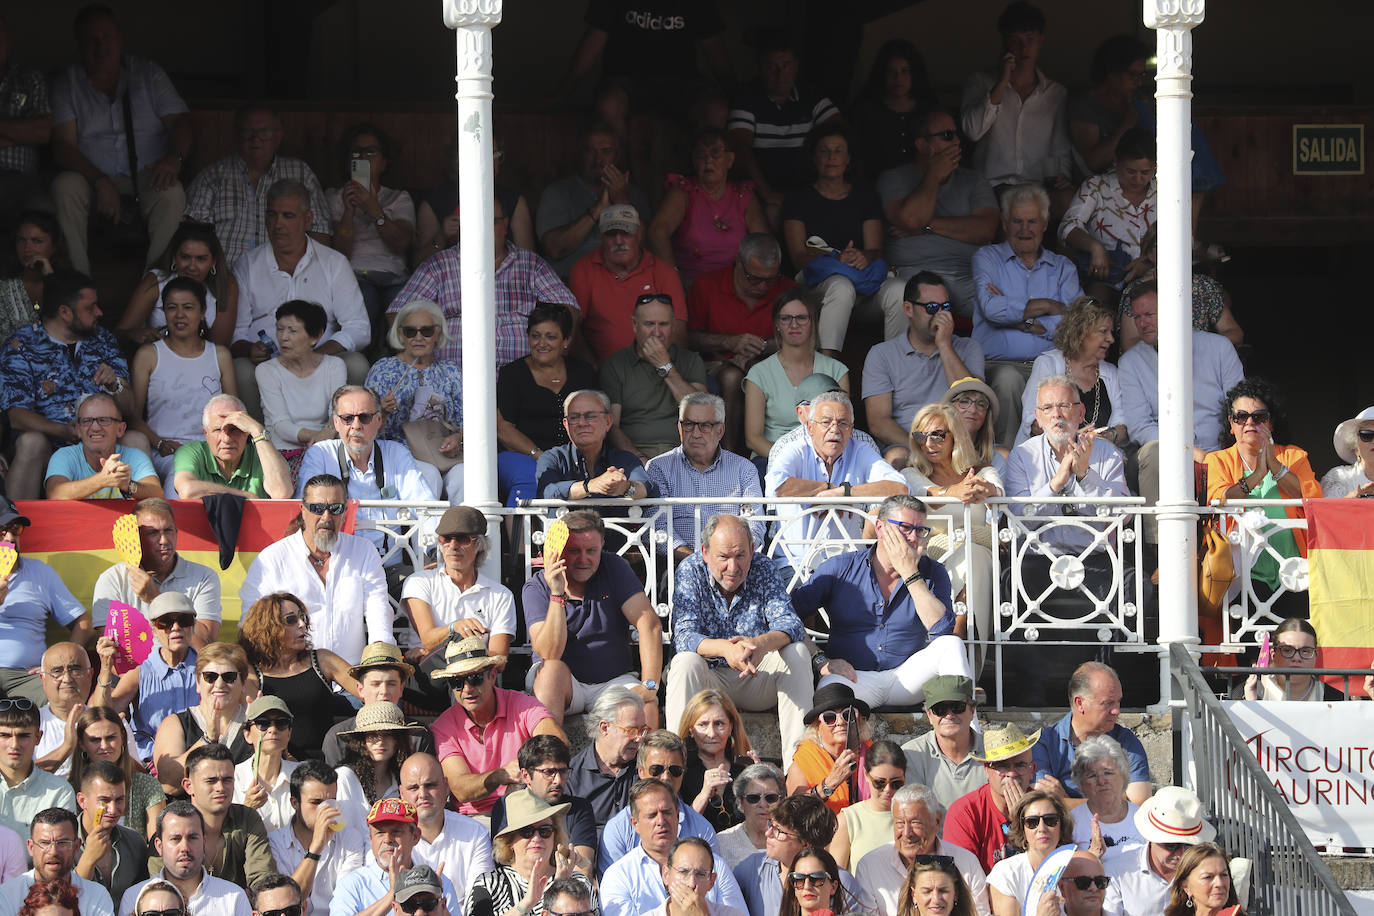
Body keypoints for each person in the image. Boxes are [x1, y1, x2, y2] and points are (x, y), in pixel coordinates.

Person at [792, 493, 972, 710]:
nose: (914, 537)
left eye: (919, 530)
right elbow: (788, 618)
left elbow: (941, 631)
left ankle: (972, 735)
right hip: (853, 678)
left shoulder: (933, 572)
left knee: (951, 644)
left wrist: (910, 573)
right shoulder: (840, 568)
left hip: (906, 678)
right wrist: (820, 660)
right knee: (831, 694)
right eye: (905, 527)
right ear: (880, 528)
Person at [49, 5, 190, 275]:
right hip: (91, 179)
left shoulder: (148, 73)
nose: (100, 45)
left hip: (148, 176)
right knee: (64, 186)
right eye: (91, 39)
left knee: (172, 194)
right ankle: (79, 286)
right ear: (79, 45)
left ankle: (155, 290)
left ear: (120, 40)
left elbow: (180, 123)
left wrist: (175, 159)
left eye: (107, 37)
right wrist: (100, 181)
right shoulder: (68, 82)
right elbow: (63, 146)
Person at [667, 514, 813, 759]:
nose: (733, 568)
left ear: (752, 549)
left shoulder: (763, 566)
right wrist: (725, 649)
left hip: (755, 674)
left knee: (797, 652)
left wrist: (760, 644)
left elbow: (791, 623)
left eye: (740, 556)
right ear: (705, 552)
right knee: (684, 662)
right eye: (723, 557)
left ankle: (799, 767)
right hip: (710, 679)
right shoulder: (690, 570)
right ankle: (674, 765)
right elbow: (683, 635)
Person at [389, 195, 579, 372]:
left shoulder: (531, 264)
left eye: (492, 221)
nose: (483, 228)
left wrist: (559, 352)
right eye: (475, 221)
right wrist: (422, 363)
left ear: (505, 225)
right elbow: (398, 313)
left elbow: (567, 308)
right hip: (454, 378)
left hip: (525, 377)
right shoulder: (438, 265)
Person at [1117, 282, 1243, 543]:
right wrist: (1187, 451)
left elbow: (1239, 407)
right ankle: (1159, 554)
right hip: (1168, 452)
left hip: (1221, 447)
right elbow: (1140, 425)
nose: (1141, 323)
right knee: (1153, 452)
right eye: (1137, 317)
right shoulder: (1130, 362)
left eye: (1149, 315)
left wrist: (1220, 453)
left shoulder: (1219, 347)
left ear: (1172, 310)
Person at [231, 178, 370, 413]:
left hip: (321, 360)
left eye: (288, 216)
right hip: (268, 362)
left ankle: (339, 440)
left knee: (356, 365)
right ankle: (258, 444)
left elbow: (359, 328)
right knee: (240, 370)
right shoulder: (247, 264)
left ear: (308, 220)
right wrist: (249, 349)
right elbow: (236, 332)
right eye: (272, 215)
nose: (277, 224)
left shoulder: (333, 263)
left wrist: (315, 355)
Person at [2, 270, 142, 500]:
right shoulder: (21, 345)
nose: (100, 313)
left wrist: (115, 385)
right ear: (65, 312)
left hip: (104, 442)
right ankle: (15, 529)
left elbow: (128, 407)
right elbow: (17, 415)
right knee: (30, 442)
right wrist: (65, 431)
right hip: (51, 443)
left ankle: (141, 527)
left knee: (136, 441)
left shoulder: (103, 340)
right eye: (90, 308)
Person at [520, 509, 662, 726]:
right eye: (574, 551)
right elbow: (549, 653)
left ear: (602, 546)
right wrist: (557, 593)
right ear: (558, 551)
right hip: (563, 684)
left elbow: (649, 624)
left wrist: (650, 685)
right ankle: (549, 755)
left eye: (591, 550)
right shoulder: (537, 586)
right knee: (550, 670)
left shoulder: (614, 566)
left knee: (647, 706)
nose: (583, 559)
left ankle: (647, 761)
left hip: (613, 681)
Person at [1003, 375, 1130, 614]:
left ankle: (1111, 653)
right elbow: (1018, 520)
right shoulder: (1022, 456)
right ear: (1038, 418)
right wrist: (1056, 483)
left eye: (1064, 406)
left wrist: (1084, 476)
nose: (1057, 415)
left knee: (1134, 584)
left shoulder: (1107, 454)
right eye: (1048, 408)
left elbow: (1122, 516)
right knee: (1009, 582)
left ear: (1081, 413)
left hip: (1095, 559)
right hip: (1037, 559)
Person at [239, 474, 393, 666]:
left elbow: (378, 610)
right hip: (292, 677)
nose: (326, 517)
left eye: (335, 509)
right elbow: (252, 625)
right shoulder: (271, 559)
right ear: (302, 510)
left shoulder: (363, 550)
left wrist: (379, 661)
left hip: (351, 677)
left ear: (345, 512)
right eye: (317, 509)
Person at [971, 183, 1083, 446]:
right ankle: (1009, 462)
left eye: (1032, 221)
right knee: (1008, 380)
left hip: (1050, 366)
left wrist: (1020, 317)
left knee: (1059, 386)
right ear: (1004, 223)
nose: (1025, 229)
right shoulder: (987, 258)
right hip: (1000, 365)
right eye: (1017, 221)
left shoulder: (1063, 268)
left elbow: (1075, 325)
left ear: (1045, 223)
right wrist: (1048, 305)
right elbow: (991, 308)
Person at [781, 122, 906, 357]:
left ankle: (897, 367)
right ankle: (827, 371)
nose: (831, 157)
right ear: (814, 157)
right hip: (817, 287)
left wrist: (862, 256)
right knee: (840, 284)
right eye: (824, 151)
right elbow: (798, 258)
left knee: (899, 289)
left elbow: (875, 250)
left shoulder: (864, 196)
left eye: (838, 151)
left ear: (848, 158)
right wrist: (837, 259)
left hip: (862, 283)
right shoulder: (798, 199)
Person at [1205, 379, 1321, 604]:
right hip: (1241, 577)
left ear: (1271, 423)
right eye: (1241, 416)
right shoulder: (1217, 460)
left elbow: (1312, 498)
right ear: (1231, 423)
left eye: (1259, 417)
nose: (1250, 422)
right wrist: (1257, 474)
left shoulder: (1293, 456)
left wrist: (1274, 466)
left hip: (1294, 574)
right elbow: (1220, 499)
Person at [766, 390, 907, 573]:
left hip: (849, 565)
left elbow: (900, 488)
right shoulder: (796, 449)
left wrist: (844, 492)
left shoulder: (860, 450)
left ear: (851, 429)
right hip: (795, 566)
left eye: (842, 423)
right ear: (810, 428)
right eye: (826, 422)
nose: (834, 429)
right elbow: (776, 486)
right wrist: (828, 488)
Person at [903, 404, 1001, 661]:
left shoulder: (982, 472)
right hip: (932, 554)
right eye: (920, 436)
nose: (928, 443)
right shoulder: (911, 474)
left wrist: (986, 490)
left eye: (937, 434)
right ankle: (959, 661)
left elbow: (998, 494)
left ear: (956, 435)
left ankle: (950, 654)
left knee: (974, 555)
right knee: (973, 555)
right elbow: (925, 494)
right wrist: (953, 493)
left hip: (977, 555)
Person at [878, 108, 999, 317]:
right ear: (922, 145)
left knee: (1002, 310)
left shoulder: (974, 179)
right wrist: (932, 175)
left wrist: (927, 227)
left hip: (967, 274)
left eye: (956, 135)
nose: (956, 142)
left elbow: (986, 229)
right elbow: (911, 218)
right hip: (914, 273)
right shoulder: (893, 177)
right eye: (946, 136)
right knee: (926, 309)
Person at [297, 385, 443, 552]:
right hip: (337, 565)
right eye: (347, 418)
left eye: (364, 417)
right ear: (336, 423)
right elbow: (305, 513)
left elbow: (426, 507)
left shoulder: (396, 453)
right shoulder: (320, 454)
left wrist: (432, 555)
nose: (356, 425)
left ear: (379, 421)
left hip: (390, 568)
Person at [685, 235, 796, 449]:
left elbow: (802, 337)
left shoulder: (787, 290)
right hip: (716, 363)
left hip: (769, 363)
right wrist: (729, 342)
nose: (763, 286)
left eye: (769, 279)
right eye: (754, 278)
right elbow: (688, 339)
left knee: (757, 373)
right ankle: (726, 454)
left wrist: (763, 346)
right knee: (731, 376)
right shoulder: (707, 285)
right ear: (738, 261)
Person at [430, 638, 563, 816]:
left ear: (492, 676)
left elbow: (556, 742)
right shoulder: (443, 726)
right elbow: (461, 790)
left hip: (525, 807)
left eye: (474, 678)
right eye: (457, 682)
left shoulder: (522, 704)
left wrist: (524, 769)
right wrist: (501, 775)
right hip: (474, 819)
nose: (467, 689)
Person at [186, 104, 332, 265]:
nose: (256, 139)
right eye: (248, 131)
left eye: (264, 132)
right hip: (224, 276)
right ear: (237, 136)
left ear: (278, 137)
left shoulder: (301, 173)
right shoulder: (213, 176)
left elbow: (320, 231)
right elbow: (194, 236)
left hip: (284, 277)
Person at [863, 271, 985, 462]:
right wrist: (920, 448)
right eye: (931, 307)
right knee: (896, 457)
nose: (940, 314)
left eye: (945, 307)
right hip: (908, 446)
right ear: (908, 309)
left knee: (1001, 455)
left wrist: (944, 345)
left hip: (959, 445)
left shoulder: (969, 347)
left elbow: (972, 402)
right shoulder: (881, 354)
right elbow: (878, 422)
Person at [128, 276, 237, 483]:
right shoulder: (149, 355)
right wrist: (160, 443)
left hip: (212, 451)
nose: (180, 315)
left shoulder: (220, 355)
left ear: (203, 312)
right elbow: (134, 418)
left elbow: (234, 415)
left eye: (188, 307)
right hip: (164, 453)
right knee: (181, 473)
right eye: (171, 308)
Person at [727, 32, 841, 226]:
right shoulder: (747, 99)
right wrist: (766, 192)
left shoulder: (811, 96)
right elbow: (740, 148)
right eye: (772, 66)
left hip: (807, 187)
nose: (780, 74)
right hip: (764, 191)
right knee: (774, 213)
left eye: (786, 65)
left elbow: (841, 133)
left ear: (796, 65)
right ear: (760, 68)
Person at [960, 3, 1071, 196]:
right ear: (1005, 43)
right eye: (1015, 41)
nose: (1023, 47)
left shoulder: (1055, 93)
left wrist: (1063, 175)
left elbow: (1060, 144)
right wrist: (1002, 82)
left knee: (1067, 200)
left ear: (1041, 41)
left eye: (1030, 39)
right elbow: (972, 131)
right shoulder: (980, 82)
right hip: (991, 185)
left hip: (1038, 186)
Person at [238, 592, 361, 762]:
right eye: (291, 620)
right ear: (268, 627)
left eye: (302, 617)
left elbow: (369, 690)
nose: (302, 624)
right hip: (279, 764)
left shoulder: (322, 660)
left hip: (329, 763)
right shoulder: (252, 672)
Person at [364, 298, 466, 501]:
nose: (418, 337)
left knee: (466, 478)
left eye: (426, 331)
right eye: (410, 331)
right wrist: (382, 411)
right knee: (427, 476)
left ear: (437, 333)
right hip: (402, 453)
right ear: (401, 334)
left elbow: (469, 420)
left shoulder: (451, 371)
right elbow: (364, 425)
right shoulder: (384, 369)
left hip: (446, 452)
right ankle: (427, 534)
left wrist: (458, 438)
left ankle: (463, 533)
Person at [495, 304, 598, 505]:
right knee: (530, 478)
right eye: (535, 336)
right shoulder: (512, 374)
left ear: (566, 341)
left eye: (550, 337)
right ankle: (523, 538)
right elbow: (504, 429)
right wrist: (541, 457)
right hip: (522, 456)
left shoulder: (583, 373)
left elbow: (597, 419)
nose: (542, 343)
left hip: (574, 456)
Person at [647, 393, 767, 562]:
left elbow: (755, 525)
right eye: (688, 425)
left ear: (720, 431)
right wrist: (698, 562)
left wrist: (729, 560)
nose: (695, 433)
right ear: (680, 428)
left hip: (734, 567)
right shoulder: (659, 467)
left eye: (705, 426)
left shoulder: (743, 469)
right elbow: (657, 529)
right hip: (677, 565)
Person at [401, 505, 515, 680]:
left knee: (469, 681)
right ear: (439, 542)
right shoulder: (419, 582)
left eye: (463, 539)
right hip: (430, 679)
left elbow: (499, 660)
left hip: (474, 679)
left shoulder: (501, 595)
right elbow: (427, 639)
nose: (453, 546)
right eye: (446, 538)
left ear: (480, 545)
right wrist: (455, 628)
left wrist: (445, 651)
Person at [601, 780, 745, 916]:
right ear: (635, 823)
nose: (661, 821)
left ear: (677, 815)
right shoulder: (618, 876)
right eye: (651, 815)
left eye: (667, 812)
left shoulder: (715, 865)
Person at [569, 205, 687, 366]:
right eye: (611, 234)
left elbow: (678, 332)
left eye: (626, 233)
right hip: (602, 371)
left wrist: (661, 369)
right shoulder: (584, 268)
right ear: (601, 237)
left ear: (639, 235)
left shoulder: (663, 272)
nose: (618, 240)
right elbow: (571, 329)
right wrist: (593, 368)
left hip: (655, 369)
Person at [0, 496, 91, 704]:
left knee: (62, 699)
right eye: (2, 531)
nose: (10, 537)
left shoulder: (40, 573)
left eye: (16, 529)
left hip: (25, 677)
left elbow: (84, 624)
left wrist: (57, 663)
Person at [647, 127, 767, 284]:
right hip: (692, 285)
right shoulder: (684, 192)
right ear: (694, 161)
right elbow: (657, 232)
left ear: (730, 160)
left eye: (715, 153)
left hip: (736, 286)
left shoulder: (744, 195)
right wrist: (674, 279)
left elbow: (762, 243)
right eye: (701, 155)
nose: (708, 160)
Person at [535, 122, 653, 279]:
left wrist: (622, 203)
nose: (599, 160)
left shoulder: (634, 194)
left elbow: (646, 245)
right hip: (568, 286)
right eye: (590, 151)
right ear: (580, 154)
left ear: (617, 156)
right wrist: (599, 209)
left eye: (606, 151)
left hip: (623, 285)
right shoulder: (558, 193)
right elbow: (555, 249)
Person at [853, 783, 990, 916]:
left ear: (936, 822)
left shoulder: (966, 862)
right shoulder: (870, 866)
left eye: (915, 823)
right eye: (900, 823)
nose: (907, 833)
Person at [326, 124, 415, 327]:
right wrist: (349, 212)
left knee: (404, 309)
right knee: (364, 301)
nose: (363, 157)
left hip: (393, 277)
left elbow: (401, 244)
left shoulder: (398, 198)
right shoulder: (334, 197)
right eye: (357, 152)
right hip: (353, 275)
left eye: (371, 152)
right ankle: (361, 357)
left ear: (384, 163)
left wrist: (375, 211)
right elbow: (338, 253)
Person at [743, 290, 849, 461]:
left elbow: (843, 427)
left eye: (801, 317)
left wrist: (817, 462)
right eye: (785, 318)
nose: (794, 325)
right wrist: (792, 461)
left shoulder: (836, 370)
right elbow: (753, 439)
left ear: (813, 322)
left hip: (827, 458)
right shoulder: (759, 373)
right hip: (773, 458)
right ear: (777, 324)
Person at [601, 294, 708, 460]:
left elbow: (701, 413)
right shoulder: (616, 364)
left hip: (684, 452)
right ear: (635, 325)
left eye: (664, 324)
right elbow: (611, 426)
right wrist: (637, 457)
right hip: (635, 453)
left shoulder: (690, 360)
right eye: (649, 324)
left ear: (673, 326)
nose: (657, 332)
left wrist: (665, 366)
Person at [154, 743, 274, 889]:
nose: (220, 788)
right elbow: (159, 887)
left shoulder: (247, 818)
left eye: (227, 780)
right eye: (211, 781)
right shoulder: (170, 825)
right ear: (188, 786)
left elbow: (262, 880)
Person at [1032, 662, 1152, 805]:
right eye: (1107, 703)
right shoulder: (1045, 744)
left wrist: (1065, 800)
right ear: (1080, 703)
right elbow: (1045, 804)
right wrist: (1115, 800)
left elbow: (1139, 805)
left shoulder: (1126, 741)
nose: (1117, 711)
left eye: (1118, 702)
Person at [1014, 296, 1127, 446]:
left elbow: (1122, 425)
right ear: (1081, 334)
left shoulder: (1111, 373)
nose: (1111, 339)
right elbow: (1035, 424)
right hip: (1050, 460)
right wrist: (1079, 440)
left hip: (1100, 458)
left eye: (1111, 332)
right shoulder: (1048, 364)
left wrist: (1109, 436)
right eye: (1103, 332)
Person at [599, 730, 722, 868]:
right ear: (641, 772)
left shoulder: (702, 829)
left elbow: (714, 883)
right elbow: (613, 884)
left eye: (674, 770)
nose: (665, 777)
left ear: (683, 773)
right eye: (656, 769)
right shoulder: (618, 829)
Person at [733, 793, 869, 916]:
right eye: (771, 825)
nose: (768, 833)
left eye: (778, 831)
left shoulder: (842, 881)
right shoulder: (751, 868)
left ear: (806, 844)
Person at [1059, 131, 1156, 299]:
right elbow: (1068, 226)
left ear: (1155, 167)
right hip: (1105, 279)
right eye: (1131, 171)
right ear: (1116, 162)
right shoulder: (1096, 187)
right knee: (1096, 301)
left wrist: (1150, 261)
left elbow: (1183, 237)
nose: (1138, 179)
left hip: (1153, 278)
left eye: (1145, 172)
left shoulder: (1167, 192)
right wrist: (1095, 247)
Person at [467, 788, 592, 916]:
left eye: (545, 831)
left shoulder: (578, 882)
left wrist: (561, 887)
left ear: (555, 836)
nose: (537, 838)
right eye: (527, 831)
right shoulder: (489, 883)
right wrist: (526, 904)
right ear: (509, 841)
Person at [1116, 226, 1243, 351]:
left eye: (1177, 242)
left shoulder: (1204, 287)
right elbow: (1129, 344)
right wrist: (1169, 348)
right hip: (1151, 367)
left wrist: (1198, 346)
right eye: (1162, 244)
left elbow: (1234, 334)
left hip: (1198, 365)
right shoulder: (1137, 291)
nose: (1171, 248)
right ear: (1150, 254)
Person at [117, 221, 241, 348]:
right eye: (185, 257)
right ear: (174, 257)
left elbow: (219, 349)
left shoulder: (225, 285)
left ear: (214, 262)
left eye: (201, 259)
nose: (192, 267)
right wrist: (134, 335)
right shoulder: (156, 280)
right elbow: (120, 333)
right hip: (155, 359)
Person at [267, 760, 368, 916]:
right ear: (295, 803)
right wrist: (315, 848)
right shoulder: (274, 842)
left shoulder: (350, 838)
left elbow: (347, 902)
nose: (325, 810)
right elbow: (288, 903)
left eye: (331, 801)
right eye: (316, 803)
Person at [329, 798, 461, 916]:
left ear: (415, 836)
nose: (387, 839)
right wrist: (393, 893)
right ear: (370, 839)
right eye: (380, 833)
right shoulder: (352, 884)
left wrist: (434, 904)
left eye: (396, 832)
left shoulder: (438, 881)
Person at [151, 643, 253, 795]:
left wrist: (259, 728)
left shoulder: (257, 722)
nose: (219, 684)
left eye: (229, 677)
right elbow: (168, 783)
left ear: (243, 683)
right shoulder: (175, 723)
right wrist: (207, 740)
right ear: (198, 683)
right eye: (210, 677)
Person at [119, 801, 253, 916]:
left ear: (204, 842)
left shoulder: (233, 898)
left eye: (192, 838)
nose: (184, 847)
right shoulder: (134, 897)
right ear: (159, 846)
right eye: (175, 839)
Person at [413, 136, 534, 261]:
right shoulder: (434, 202)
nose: (490, 161)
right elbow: (419, 265)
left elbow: (528, 263)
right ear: (458, 160)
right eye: (481, 154)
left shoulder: (514, 200)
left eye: (494, 154)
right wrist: (441, 236)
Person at [255, 299, 348, 460]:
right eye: (280, 329)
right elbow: (281, 426)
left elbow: (338, 412)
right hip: (282, 453)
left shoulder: (334, 366)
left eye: (292, 331)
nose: (284, 337)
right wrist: (321, 436)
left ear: (316, 336)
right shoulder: (266, 370)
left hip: (327, 448)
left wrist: (326, 436)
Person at [1101, 786, 1215, 916]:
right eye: (1171, 846)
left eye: (1189, 846)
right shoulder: (1117, 872)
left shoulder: (1208, 872)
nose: (1181, 854)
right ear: (1151, 839)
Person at [943, 722, 1040, 874]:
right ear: (987, 771)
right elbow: (963, 879)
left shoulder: (1044, 807)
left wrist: (1025, 822)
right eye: (1002, 766)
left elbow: (1050, 868)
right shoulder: (964, 813)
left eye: (1020, 765)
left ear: (1032, 770)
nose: (1011, 774)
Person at [490, 735, 598, 867]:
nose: (558, 780)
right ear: (525, 776)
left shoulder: (579, 808)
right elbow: (505, 861)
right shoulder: (506, 806)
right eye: (548, 772)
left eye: (563, 771)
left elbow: (582, 867)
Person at [321, 644, 435, 768]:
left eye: (391, 684)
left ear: (401, 689)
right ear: (360, 689)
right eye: (375, 684)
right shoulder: (338, 737)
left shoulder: (418, 735)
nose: (384, 691)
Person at [33, 644, 136, 777]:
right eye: (57, 671)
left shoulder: (112, 723)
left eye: (75, 670)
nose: (67, 679)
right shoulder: (31, 725)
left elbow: (138, 778)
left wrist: (118, 752)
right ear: (43, 679)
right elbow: (19, 780)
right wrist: (68, 746)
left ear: (90, 675)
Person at [534, 390, 654, 501]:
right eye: (574, 417)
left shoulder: (625, 459)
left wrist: (625, 487)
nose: (582, 423)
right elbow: (547, 491)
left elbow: (645, 488)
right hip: (565, 524)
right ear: (566, 424)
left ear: (608, 422)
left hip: (613, 525)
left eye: (590, 416)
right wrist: (590, 486)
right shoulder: (553, 458)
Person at [67, 707, 167, 840]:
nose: (104, 746)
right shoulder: (70, 789)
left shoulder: (146, 784)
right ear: (82, 744)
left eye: (110, 738)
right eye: (95, 740)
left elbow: (158, 843)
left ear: (122, 738)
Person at [399, 753, 494, 890]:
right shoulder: (392, 839)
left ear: (446, 787)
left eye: (430, 785)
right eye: (413, 788)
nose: (422, 794)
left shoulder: (475, 834)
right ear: (402, 793)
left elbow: (481, 898)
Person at [555, 686, 645, 831]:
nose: (639, 738)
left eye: (642, 730)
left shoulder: (647, 767)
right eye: (632, 731)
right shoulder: (571, 776)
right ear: (604, 728)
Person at [172, 393, 293, 499]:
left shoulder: (262, 454)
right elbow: (186, 491)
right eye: (218, 430)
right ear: (205, 433)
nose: (226, 439)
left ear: (246, 432)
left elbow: (282, 493)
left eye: (234, 429)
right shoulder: (191, 452)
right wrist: (245, 496)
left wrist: (257, 430)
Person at [43, 392, 159, 500]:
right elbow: (54, 493)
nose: (95, 428)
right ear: (78, 430)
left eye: (104, 420)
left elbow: (157, 494)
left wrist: (128, 485)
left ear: (120, 429)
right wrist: (102, 480)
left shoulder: (135, 456)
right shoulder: (64, 456)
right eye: (87, 421)